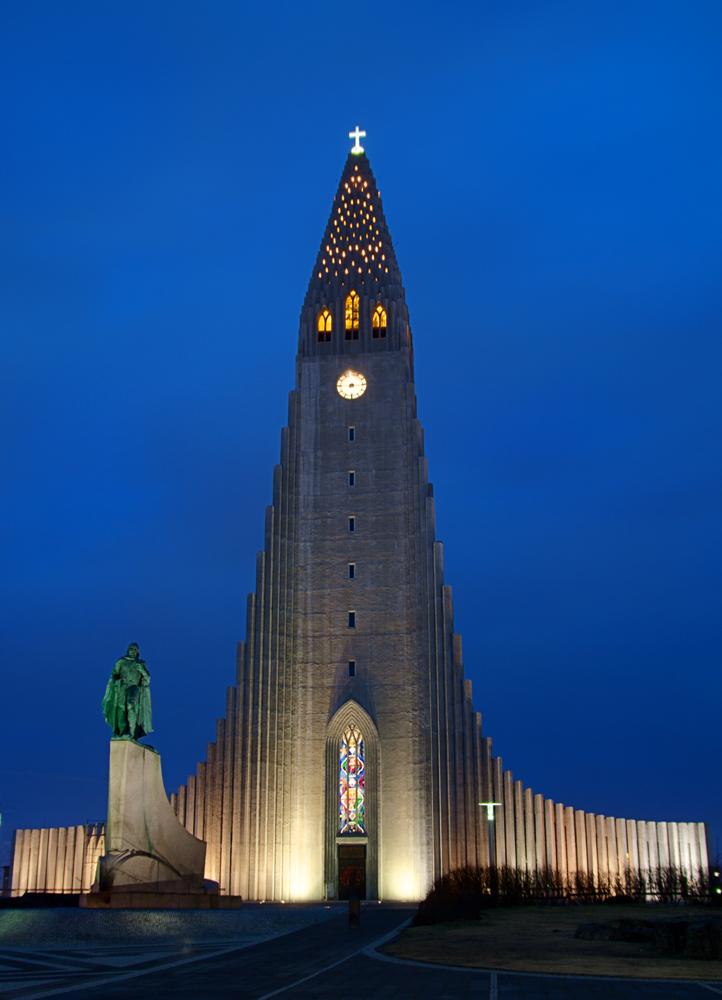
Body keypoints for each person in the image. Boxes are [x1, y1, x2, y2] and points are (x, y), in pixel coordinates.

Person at [102, 643, 153, 740]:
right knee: (121, 710)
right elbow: (114, 674)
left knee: (131, 705)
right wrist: (115, 683)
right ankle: (122, 733)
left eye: (134, 649)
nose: (132, 650)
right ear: (127, 650)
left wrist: (142, 669)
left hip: (134, 686)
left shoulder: (140, 663)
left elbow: (148, 678)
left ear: (137, 652)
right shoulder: (121, 661)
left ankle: (131, 732)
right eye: (130, 648)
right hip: (122, 686)